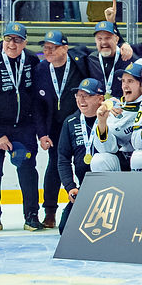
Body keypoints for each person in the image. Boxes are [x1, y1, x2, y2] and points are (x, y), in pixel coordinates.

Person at [0, 22, 47, 233]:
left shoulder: (32, 61)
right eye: (8, 39)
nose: (12, 44)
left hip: (24, 128)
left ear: (24, 42)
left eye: (17, 40)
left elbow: (37, 98)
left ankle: (32, 216)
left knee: (27, 171)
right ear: (3, 40)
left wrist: (39, 130)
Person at [35, 30, 89, 228]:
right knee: (55, 166)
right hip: (55, 128)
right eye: (45, 47)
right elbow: (37, 106)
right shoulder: (41, 69)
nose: (47, 51)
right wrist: (42, 133)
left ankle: (87, 204)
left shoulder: (79, 63)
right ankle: (49, 212)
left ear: (65, 48)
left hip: (79, 123)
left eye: (53, 47)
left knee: (85, 163)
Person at [55, 78, 106, 233]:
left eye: (87, 96)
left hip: (109, 187)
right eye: (78, 95)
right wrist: (70, 187)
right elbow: (63, 159)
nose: (81, 100)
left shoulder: (110, 119)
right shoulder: (70, 122)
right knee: (65, 230)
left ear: (100, 98)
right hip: (84, 187)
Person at [90, 63, 142, 171]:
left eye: (130, 81)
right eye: (123, 81)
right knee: (99, 160)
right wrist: (102, 122)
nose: (125, 86)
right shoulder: (114, 107)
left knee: (140, 158)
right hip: (124, 158)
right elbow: (105, 149)